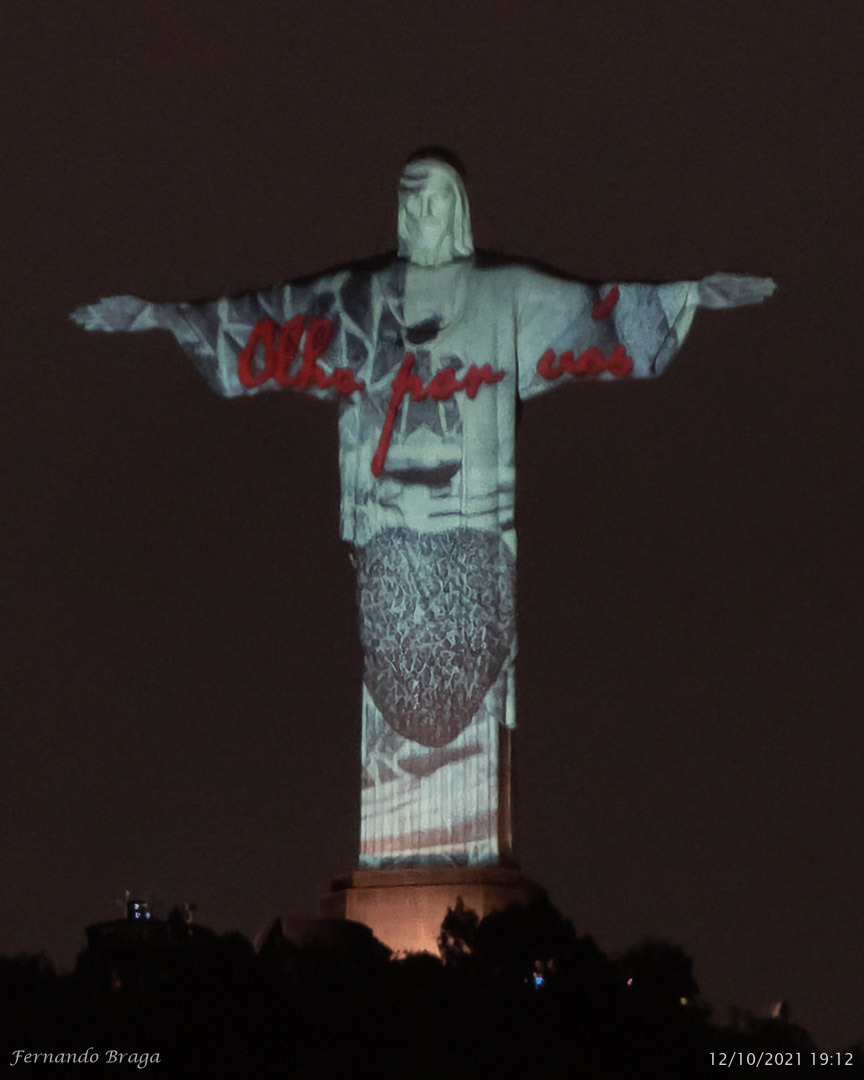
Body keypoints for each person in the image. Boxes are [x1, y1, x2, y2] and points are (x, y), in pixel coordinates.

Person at [72, 150, 775, 868]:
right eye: (408, 202)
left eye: (434, 200)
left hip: (471, 534)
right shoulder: (358, 301)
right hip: (390, 541)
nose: (420, 215)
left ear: (459, 208)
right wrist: (160, 317)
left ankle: (464, 860)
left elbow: (595, 313)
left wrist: (691, 296)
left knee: (471, 706)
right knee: (396, 710)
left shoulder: (503, 294)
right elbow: (268, 318)